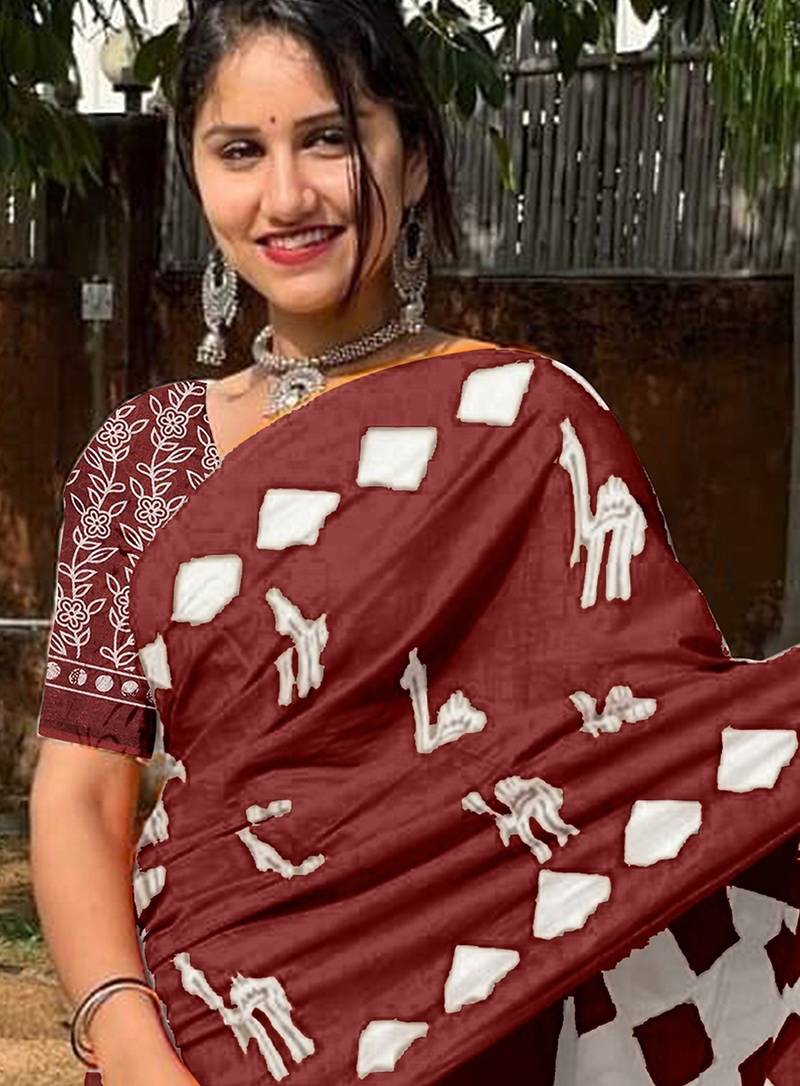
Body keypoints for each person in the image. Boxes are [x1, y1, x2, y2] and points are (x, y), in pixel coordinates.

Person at [28, 1, 798, 1084]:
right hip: (208, 1033)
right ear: (196, 175)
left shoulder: (526, 420)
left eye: (329, 139)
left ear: (416, 157)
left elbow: (641, 746)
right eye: (239, 151)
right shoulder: (145, 456)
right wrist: (128, 1040)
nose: (285, 197)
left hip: (483, 1026)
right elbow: (81, 789)